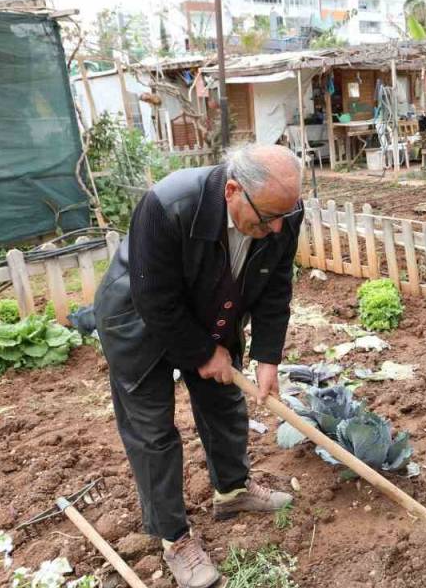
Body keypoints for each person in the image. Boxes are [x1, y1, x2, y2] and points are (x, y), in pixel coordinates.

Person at [94, 144, 304, 588]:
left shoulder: (281, 213)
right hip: (137, 319)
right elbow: (155, 298)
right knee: (153, 431)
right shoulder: (169, 204)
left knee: (225, 403)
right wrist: (204, 353)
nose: (278, 228)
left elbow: (276, 286)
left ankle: (232, 491)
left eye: (285, 216)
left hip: (214, 306)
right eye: (268, 218)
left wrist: (268, 356)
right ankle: (174, 539)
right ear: (232, 190)